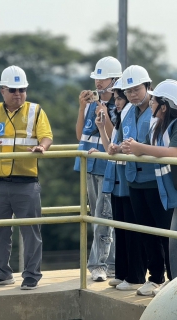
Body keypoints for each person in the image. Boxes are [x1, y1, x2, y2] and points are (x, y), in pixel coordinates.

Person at [0, 65, 53, 290]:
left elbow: (46, 136)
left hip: (26, 180)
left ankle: (31, 274)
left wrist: (42, 147)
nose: (18, 94)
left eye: (22, 89)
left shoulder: (36, 111)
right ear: (2, 90)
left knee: (30, 230)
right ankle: (1, 272)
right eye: (13, 90)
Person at [111, 66, 173, 296]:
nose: (132, 95)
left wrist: (137, 149)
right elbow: (119, 139)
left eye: (136, 89)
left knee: (164, 232)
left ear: (148, 87)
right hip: (133, 180)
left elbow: (162, 146)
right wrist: (114, 147)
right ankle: (154, 277)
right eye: (128, 91)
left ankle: (170, 279)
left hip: (156, 180)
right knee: (145, 231)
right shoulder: (127, 111)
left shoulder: (160, 111)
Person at [88, 79, 147, 291]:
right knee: (121, 228)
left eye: (119, 98)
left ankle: (136, 276)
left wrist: (113, 146)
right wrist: (101, 129)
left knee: (132, 230)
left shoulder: (133, 115)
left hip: (129, 178)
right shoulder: (123, 116)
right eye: (117, 98)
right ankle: (123, 273)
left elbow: (126, 147)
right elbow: (112, 148)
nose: (118, 102)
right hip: (117, 178)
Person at [74, 56, 122, 281]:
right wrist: (83, 107)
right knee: (96, 215)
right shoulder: (91, 103)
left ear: (115, 80)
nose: (98, 83)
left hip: (107, 166)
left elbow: (114, 136)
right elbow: (79, 135)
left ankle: (98, 265)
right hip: (88, 165)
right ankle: (110, 263)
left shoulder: (120, 105)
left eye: (103, 78)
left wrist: (104, 114)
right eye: (97, 78)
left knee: (104, 216)